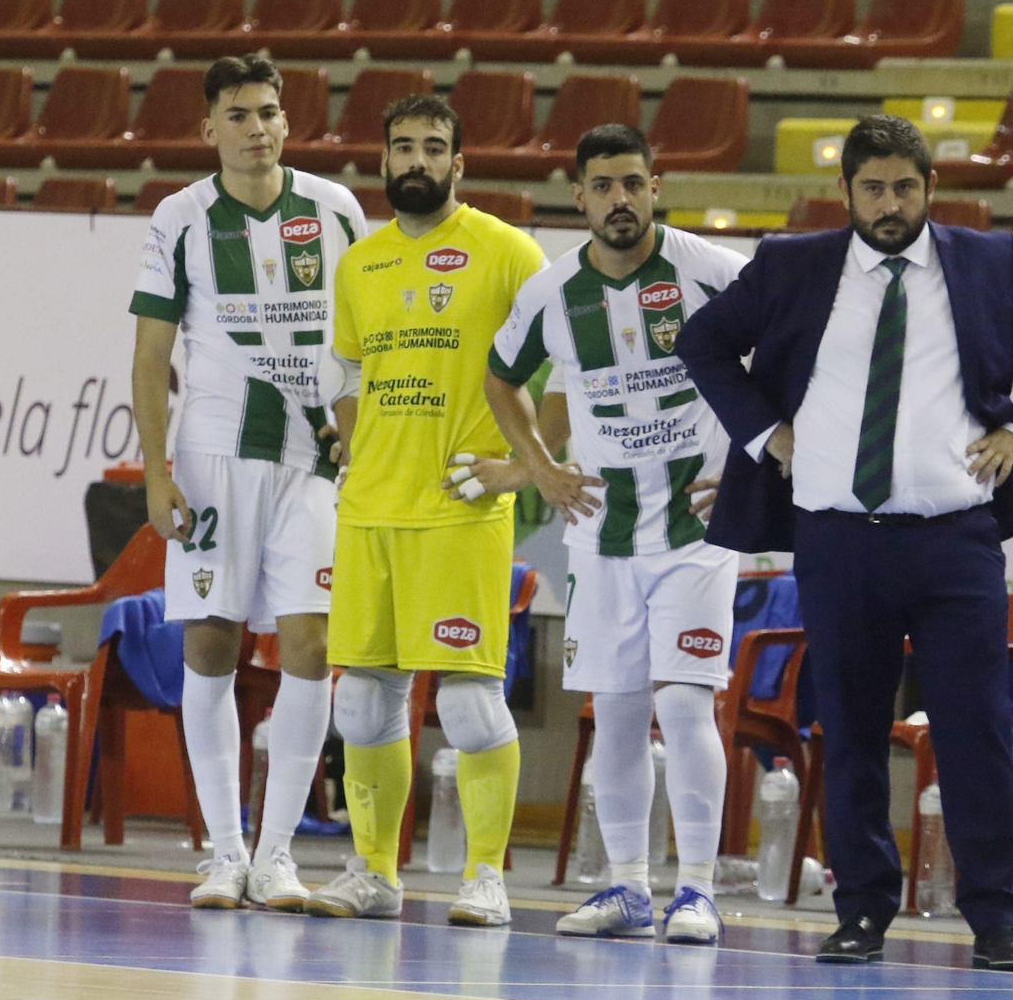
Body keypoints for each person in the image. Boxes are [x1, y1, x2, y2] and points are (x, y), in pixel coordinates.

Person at [679, 115, 1013, 970]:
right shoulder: (793, 266)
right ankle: (861, 908)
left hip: (956, 539)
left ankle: (994, 916)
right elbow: (703, 342)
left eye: (905, 187)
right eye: (873, 188)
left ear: (931, 188)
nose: (890, 203)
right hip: (837, 535)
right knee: (850, 726)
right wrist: (764, 435)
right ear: (848, 191)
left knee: (975, 727)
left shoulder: (988, 262)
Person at [486, 124, 745, 945]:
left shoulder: (711, 270)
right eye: (603, 186)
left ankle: (697, 890)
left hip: (697, 528)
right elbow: (500, 378)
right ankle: (628, 886)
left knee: (684, 698)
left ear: (656, 185)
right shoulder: (552, 291)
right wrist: (538, 464)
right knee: (619, 711)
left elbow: (789, 352)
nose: (620, 200)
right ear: (580, 196)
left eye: (633, 182)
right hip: (600, 530)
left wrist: (754, 462)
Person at [305, 94, 548, 927]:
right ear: (382, 161)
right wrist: (350, 445)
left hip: (458, 511)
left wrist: (523, 468)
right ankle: (374, 870)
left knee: (470, 703)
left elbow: (568, 372)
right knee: (363, 703)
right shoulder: (359, 263)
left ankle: (486, 875)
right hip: (370, 509)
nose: (416, 160)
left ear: (459, 162)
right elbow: (345, 377)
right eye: (401, 146)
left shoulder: (510, 253)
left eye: (433, 147)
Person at [130, 55, 366, 912]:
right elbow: (152, 357)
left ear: (286, 121)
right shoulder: (180, 218)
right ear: (208, 129)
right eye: (239, 115)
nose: (258, 128)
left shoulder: (337, 210)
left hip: (313, 460)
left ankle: (277, 856)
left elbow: (362, 340)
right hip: (213, 457)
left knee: (311, 645)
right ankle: (223, 852)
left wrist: (358, 423)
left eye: (269, 111)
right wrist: (158, 475)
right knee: (212, 645)